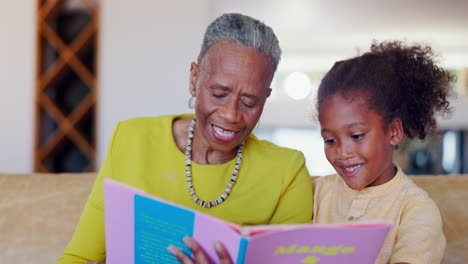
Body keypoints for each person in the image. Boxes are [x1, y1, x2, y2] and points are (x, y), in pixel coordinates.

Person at [57, 13, 313, 264]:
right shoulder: (132, 140)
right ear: (194, 78)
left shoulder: (286, 171)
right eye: (219, 93)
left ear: (265, 98)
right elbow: (78, 258)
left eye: (249, 102)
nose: (231, 115)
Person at [313, 40, 453, 264]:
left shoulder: (416, 210)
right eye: (330, 140)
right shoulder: (317, 193)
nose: (342, 152)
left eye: (357, 136)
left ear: (394, 131)